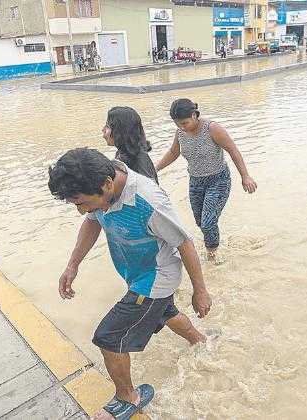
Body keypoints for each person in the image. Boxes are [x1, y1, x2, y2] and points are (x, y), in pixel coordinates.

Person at [49, 148, 212, 420]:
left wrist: (201, 291)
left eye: (81, 202)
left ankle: (129, 397)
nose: (80, 211)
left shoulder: (147, 201)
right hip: (135, 274)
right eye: (74, 204)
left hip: (156, 278)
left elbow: (184, 242)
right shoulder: (99, 188)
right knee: (166, 313)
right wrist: (72, 264)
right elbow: (92, 222)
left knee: (109, 337)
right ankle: (201, 341)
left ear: (107, 185)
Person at [156, 99, 258, 262]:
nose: (182, 127)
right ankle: (215, 243)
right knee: (200, 222)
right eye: (177, 124)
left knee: (208, 222)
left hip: (218, 181)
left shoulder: (212, 128)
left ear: (194, 115)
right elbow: (173, 153)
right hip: (195, 182)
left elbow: (232, 150)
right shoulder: (180, 133)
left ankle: (213, 256)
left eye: (185, 122)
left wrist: (245, 176)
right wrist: (155, 169)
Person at [103, 106, 158, 184]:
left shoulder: (139, 160)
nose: (103, 129)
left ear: (120, 132)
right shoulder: (122, 153)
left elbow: (151, 190)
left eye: (107, 126)